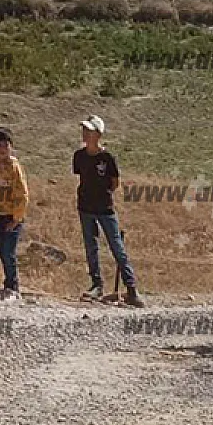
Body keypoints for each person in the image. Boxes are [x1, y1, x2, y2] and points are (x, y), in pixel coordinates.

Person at [73, 115, 145, 307]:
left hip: (104, 208)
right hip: (85, 206)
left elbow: (114, 183)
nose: (85, 134)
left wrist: (103, 195)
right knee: (91, 246)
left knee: (117, 246)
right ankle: (96, 284)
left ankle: (131, 288)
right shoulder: (79, 156)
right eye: (84, 130)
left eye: (89, 131)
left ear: (98, 134)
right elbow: (81, 176)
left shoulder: (107, 158)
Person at [0, 127, 29, 300]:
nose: (2, 149)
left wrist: (17, 218)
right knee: (1, 250)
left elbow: (22, 194)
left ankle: (13, 285)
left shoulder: (14, 167)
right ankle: (7, 282)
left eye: (5, 145)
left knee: (9, 251)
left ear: (11, 146)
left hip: (12, 216)